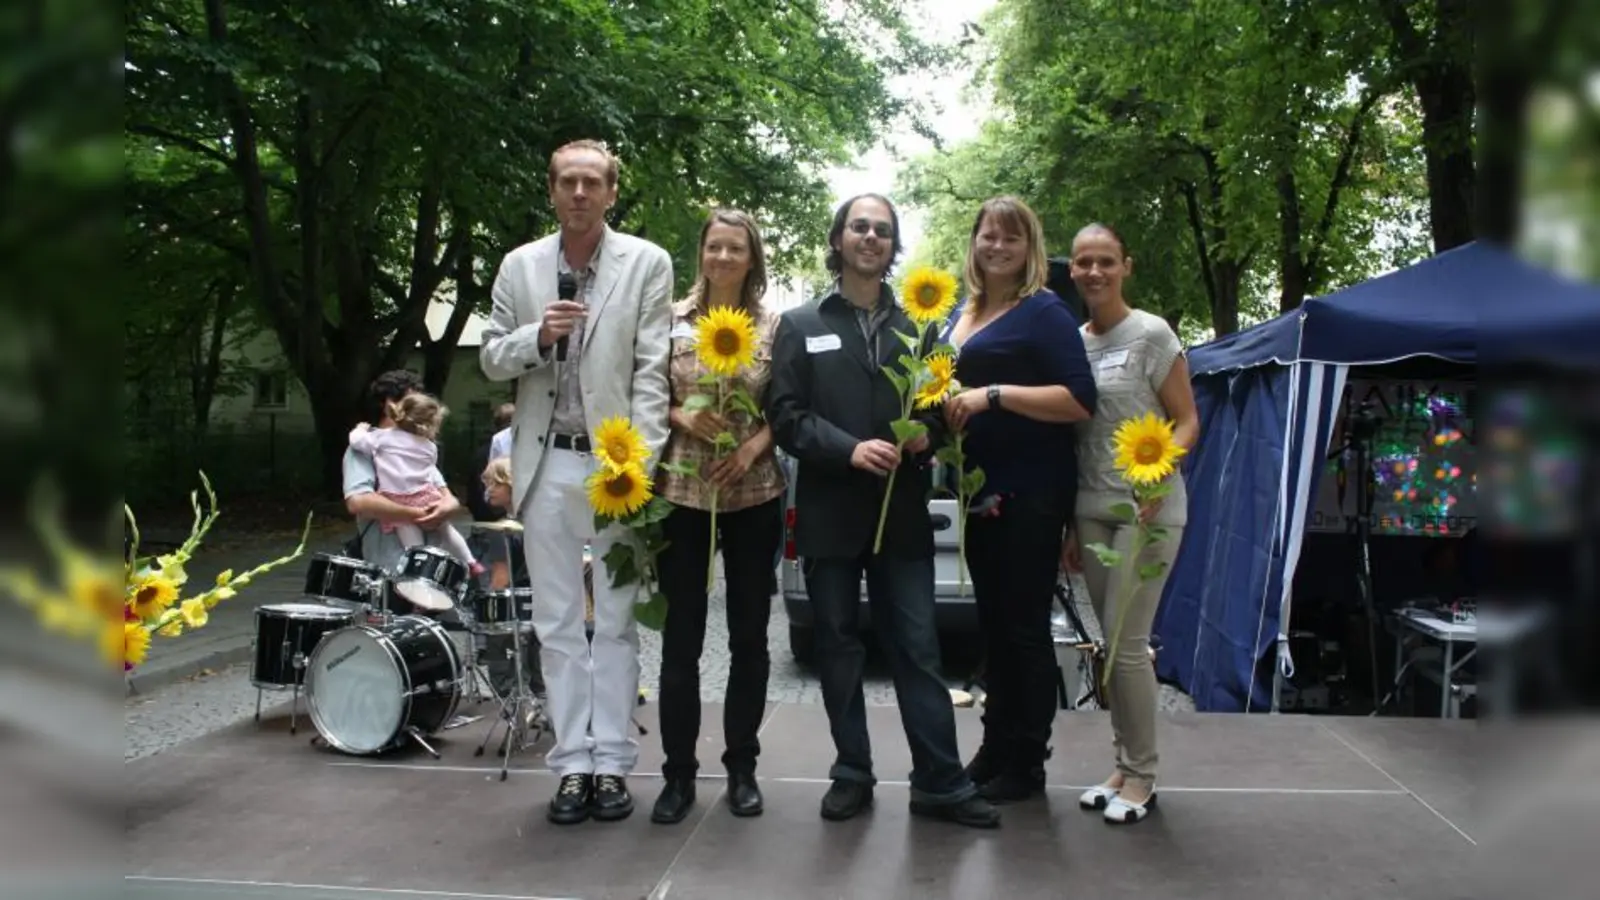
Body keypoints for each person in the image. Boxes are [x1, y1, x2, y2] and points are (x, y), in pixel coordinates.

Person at [766, 192, 1000, 829]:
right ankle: (852, 774)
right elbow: (784, 417)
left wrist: (929, 430)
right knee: (838, 648)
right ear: (838, 239)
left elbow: (941, 413)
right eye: (859, 227)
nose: (870, 237)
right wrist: (848, 449)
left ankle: (940, 782)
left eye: (883, 231)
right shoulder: (800, 324)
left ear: (893, 248)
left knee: (918, 647)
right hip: (829, 512)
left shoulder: (927, 332)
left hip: (901, 520)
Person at [478, 139, 672, 825]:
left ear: (612, 192)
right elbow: (492, 358)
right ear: (553, 191)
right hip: (546, 461)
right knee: (557, 623)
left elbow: (652, 369)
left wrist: (639, 462)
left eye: (593, 182)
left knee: (616, 622)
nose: (581, 193)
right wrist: (538, 336)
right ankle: (572, 766)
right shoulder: (520, 266)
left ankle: (613, 763)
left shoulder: (647, 262)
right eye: (569, 182)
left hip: (616, 465)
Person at [941, 196, 1097, 802]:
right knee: (995, 626)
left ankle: (1028, 760)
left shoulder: (1044, 312)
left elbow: (1079, 398)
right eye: (988, 235)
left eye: (1012, 237)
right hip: (979, 489)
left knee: (1024, 628)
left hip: (1031, 488)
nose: (998, 246)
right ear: (974, 242)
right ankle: (994, 745)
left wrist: (994, 395)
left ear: (1029, 247)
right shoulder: (964, 310)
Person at [650, 210, 786, 824]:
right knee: (681, 638)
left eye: (736, 248)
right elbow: (644, 392)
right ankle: (678, 774)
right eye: (714, 246)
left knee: (750, 637)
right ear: (700, 253)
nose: (724, 257)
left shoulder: (776, 327)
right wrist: (681, 415)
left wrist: (755, 446)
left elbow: (790, 406)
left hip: (754, 493)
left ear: (752, 258)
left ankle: (742, 766)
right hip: (681, 492)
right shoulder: (669, 321)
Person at [1061, 223, 1199, 825]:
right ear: (1071, 271)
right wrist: (1069, 524)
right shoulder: (1071, 342)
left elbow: (1188, 420)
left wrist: (1159, 477)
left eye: (1106, 261)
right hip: (1091, 509)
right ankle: (1122, 764)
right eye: (1084, 262)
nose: (1095, 271)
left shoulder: (1152, 335)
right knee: (1108, 646)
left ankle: (1142, 775)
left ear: (1126, 266)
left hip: (1147, 510)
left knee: (1128, 646)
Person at [343, 370, 465, 572]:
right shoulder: (366, 444)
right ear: (391, 402)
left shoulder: (418, 444)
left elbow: (447, 496)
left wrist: (449, 506)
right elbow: (358, 501)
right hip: (390, 566)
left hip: (434, 566)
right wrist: (417, 513)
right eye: (413, 400)